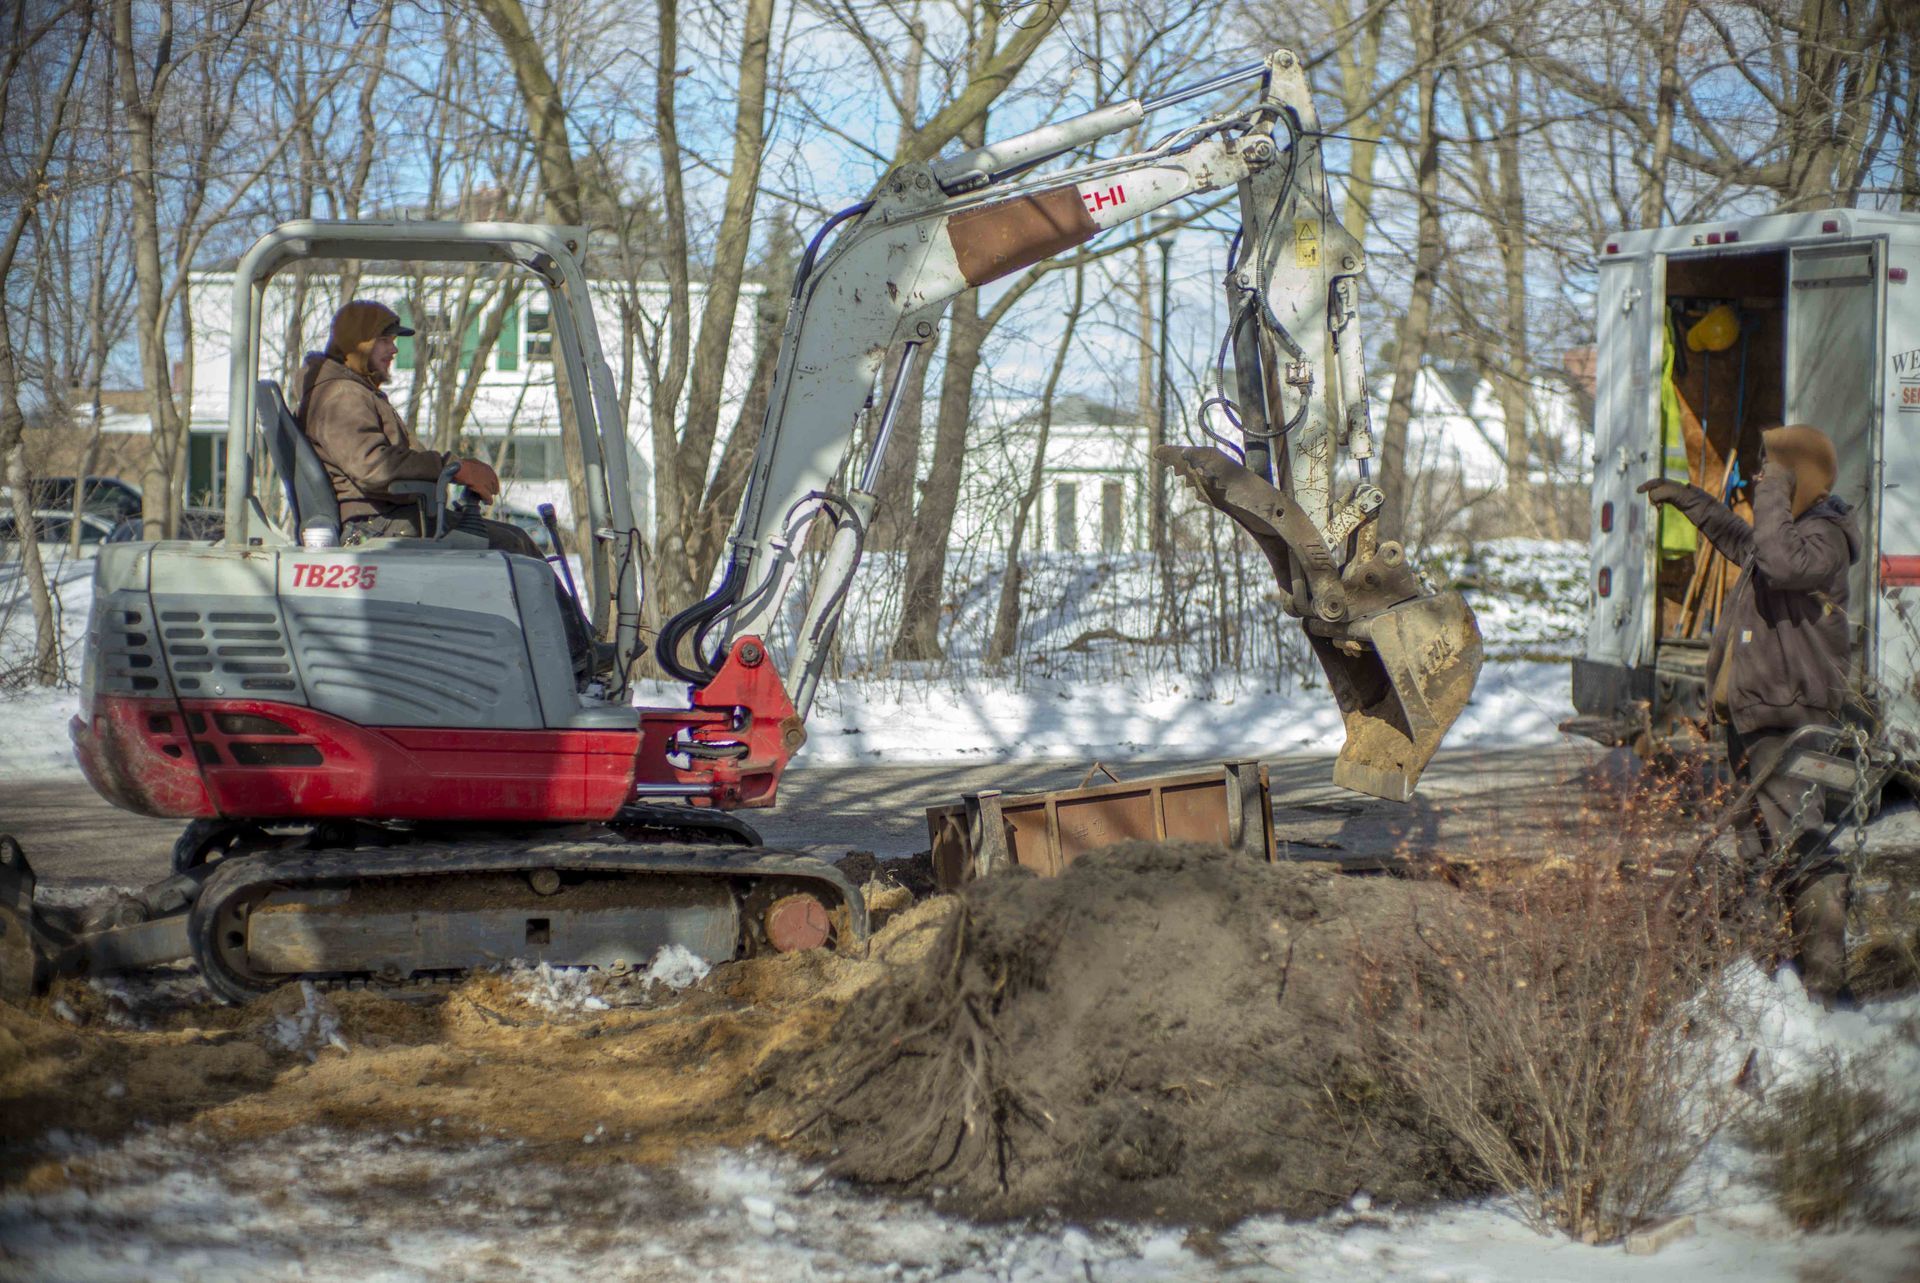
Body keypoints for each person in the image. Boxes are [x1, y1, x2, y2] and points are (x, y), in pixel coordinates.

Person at [1639, 423, 1859, 1005]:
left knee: (1805, 851)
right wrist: (1694, 502)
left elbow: (1781, 563)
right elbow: (1749, 544)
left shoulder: (1825, 538)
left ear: (1797, 479)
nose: (1762, 478)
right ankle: (1773, 979)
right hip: (1754, 719)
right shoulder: (1790, 536)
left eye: (1773, 470)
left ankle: (1826, 992)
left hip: (1789, 721)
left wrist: (1772, 491)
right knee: (1760, 851)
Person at [298, 300, 602, 683]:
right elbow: (373, 468)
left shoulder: (352, 390)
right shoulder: (341, 395)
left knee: (513, 540)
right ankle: (574, 657)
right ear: (358, 343)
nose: (393, 349)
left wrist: (447, 470)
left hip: (393, 517)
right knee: (513, 547)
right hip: (377, 526)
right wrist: (451, 468)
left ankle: (561, 657)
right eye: (384, 340)